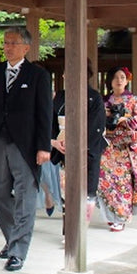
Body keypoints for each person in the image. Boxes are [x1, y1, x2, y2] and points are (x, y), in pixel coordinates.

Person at [0, 27, 52, 272]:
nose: (8, 47)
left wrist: (43, 146)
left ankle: (18, 251)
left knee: (26, 197)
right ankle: (12, 236)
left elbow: (44, 113)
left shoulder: (38, 75)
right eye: (6, 43)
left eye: (13, 43)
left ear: (26, 47)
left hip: (26, 145)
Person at [49, 60, 108, 224]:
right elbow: (51, 124)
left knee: (87, 193)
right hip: (64, 149)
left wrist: (77, 144)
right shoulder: (60, 97)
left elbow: (96, 126)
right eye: (66, 72)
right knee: (67, 192)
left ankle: (80, 229)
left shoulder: (94, 97)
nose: (67, 76)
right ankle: (68, 230)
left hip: (87, 151)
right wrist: (55, 142)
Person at [98, 66, 137, 232]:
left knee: (122, 184)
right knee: (106, 182)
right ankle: (110, 216)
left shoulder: (134, 101)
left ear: (127, 80)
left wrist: (124, 120)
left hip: (126, 149)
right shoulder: (105, 101)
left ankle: (120, 217)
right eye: (115, 77)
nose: (119, 80)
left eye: (122, 77)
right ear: (110, 81)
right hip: (107, 147)